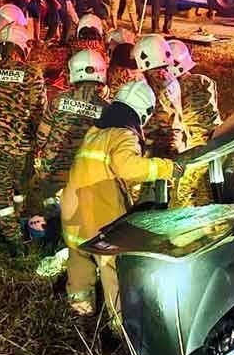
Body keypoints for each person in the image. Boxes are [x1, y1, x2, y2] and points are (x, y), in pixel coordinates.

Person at [60, 80, 180, 326]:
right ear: (143, 113)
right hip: (99, 216)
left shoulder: (95, 132)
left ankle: (80, 312)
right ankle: (120, 325)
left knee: (79, 259)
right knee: (111, 268)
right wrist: (166, 168)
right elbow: (127, 167)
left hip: (72, 210)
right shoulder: (123, 134)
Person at [0, 22, 47, 252]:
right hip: (22, 147)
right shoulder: (32, 74)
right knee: (20, 188)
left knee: (1, 194)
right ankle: (17, 231)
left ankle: (12, 236)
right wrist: (42, 143)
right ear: (22, 47)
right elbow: (40, 112)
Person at [35, 48, 111, 207]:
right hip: (84, 173)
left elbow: (42, 136)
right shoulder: (106, 109)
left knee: (51, 212)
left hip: (52, 171)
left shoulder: (58, 100)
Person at [168, 39, 222, 206]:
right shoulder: (205, 81)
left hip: (192, 151)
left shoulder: (173, 88)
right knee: (207, 195)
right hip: (218, 143)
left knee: (182, 201)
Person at [133, 33, 188, 159]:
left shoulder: (152, 80)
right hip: (174, 140)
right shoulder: (170, 77)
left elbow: (154, 117)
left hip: (157, 144)